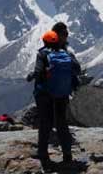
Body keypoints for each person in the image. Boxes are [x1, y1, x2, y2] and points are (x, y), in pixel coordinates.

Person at [29, 30, 82, 168]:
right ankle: (67, 155)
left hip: (45, 94)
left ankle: (43, 155)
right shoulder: (66, 54)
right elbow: (77, 69)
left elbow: (38, 71)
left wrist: (31, 76)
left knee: (45, 123)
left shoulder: (43, 54)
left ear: (44, 42)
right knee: (61, 124)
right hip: (62, 94)